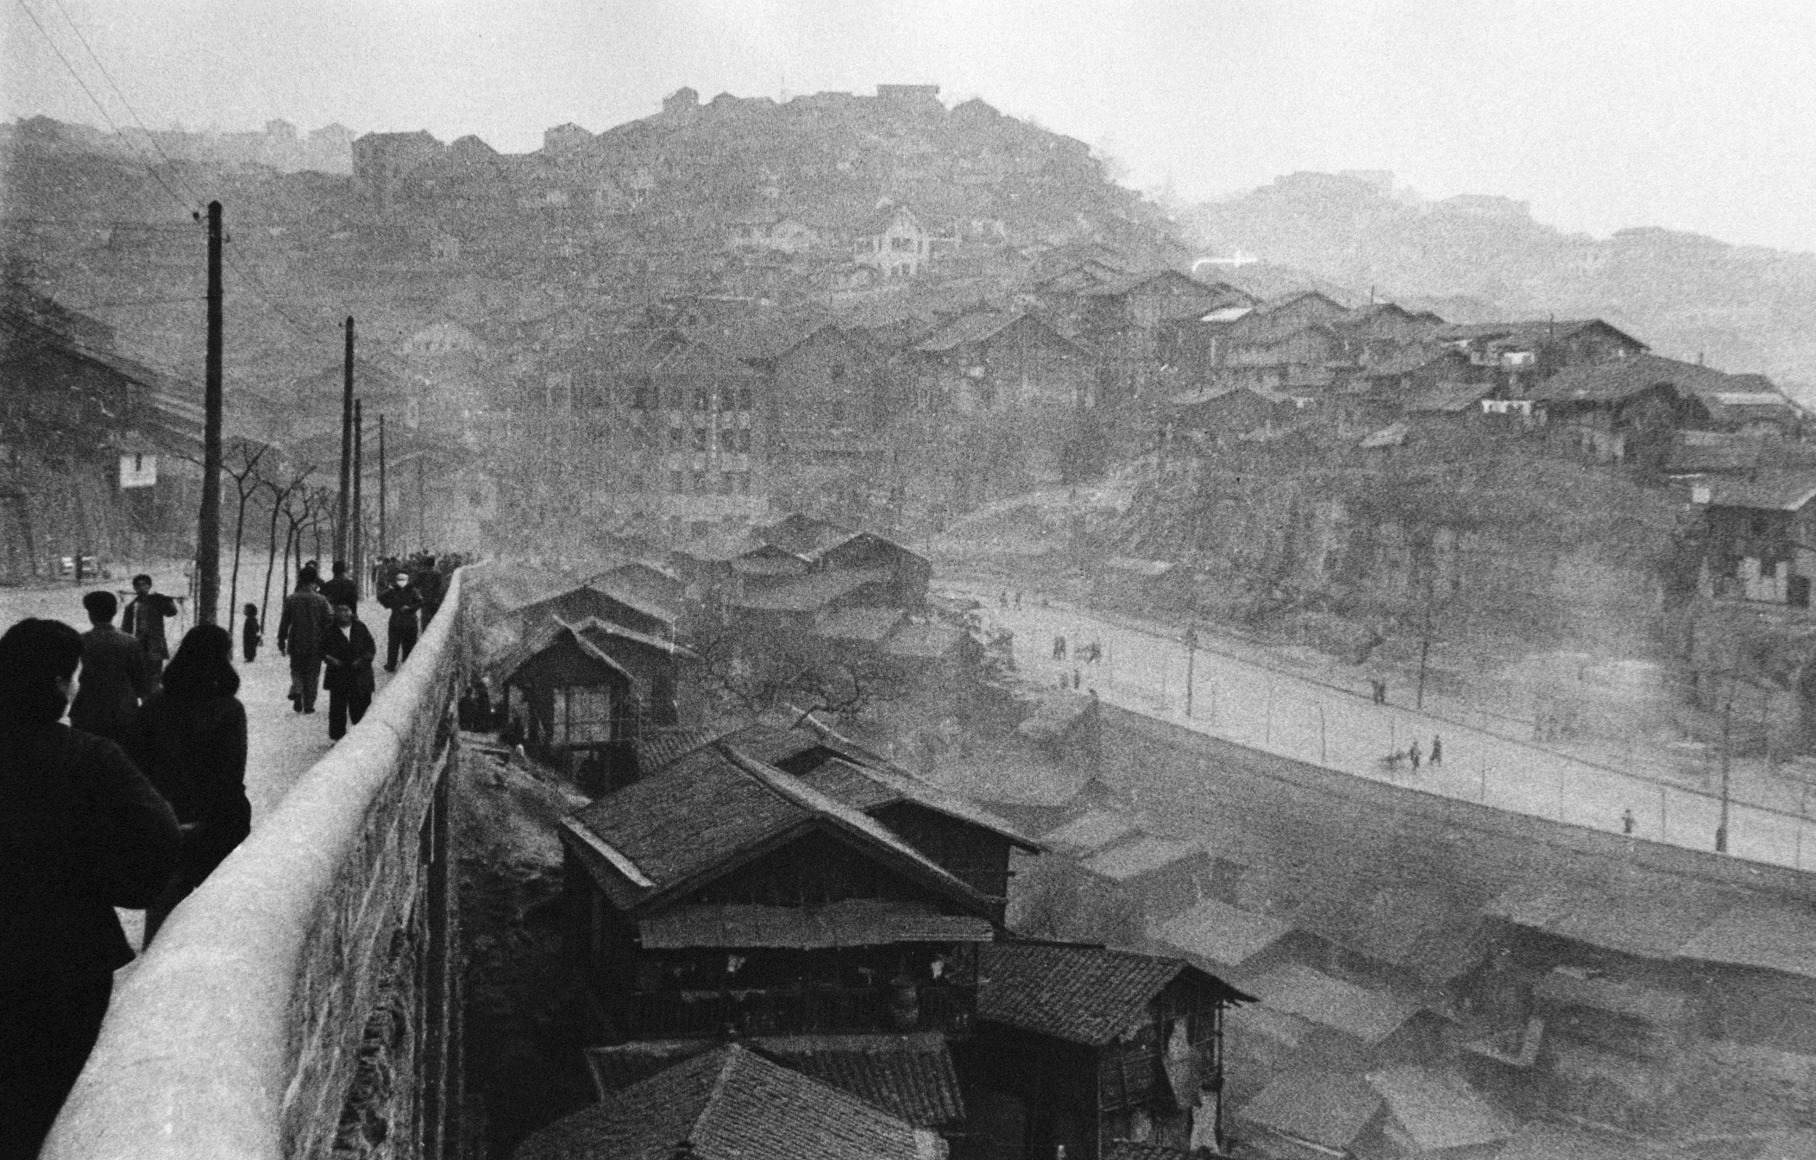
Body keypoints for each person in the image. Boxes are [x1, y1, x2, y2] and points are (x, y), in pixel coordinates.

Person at [0, 618, 180, 1159]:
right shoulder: (89, 758)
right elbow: (158, 843)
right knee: (44, 1103)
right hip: (63, 958)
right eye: (72, 677)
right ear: (58, 684)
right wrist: (99, 881)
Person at [129, 625, 250, 946]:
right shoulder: (229, 710)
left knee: (159, 928)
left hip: (165, 826)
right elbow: (230, 776)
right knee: (217, 923)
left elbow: (137, 769)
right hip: (215, 828)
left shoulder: (154, 705)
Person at [68, 589, 149, 747]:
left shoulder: (80, 641)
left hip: (87, 712)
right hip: (122, 711)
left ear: (90, 614)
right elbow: (140, 684)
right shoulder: (130, 643)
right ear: (114, 612)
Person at [320, 601, 377, 742]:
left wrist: (362, 661)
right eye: (340, 611)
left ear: (351, 612)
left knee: (361, 706)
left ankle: (361, 737)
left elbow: (370, 648)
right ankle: (338, 738)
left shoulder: (360, 628)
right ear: (336, 614)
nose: (344, 614)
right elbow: (321, 649)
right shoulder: (329, 630)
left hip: (360, 674)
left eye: (347, 610)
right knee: (337, 709)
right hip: (338, 674)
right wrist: (330, 659)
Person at [277, 574, 332, 714]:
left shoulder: (291, 599)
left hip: (296, 642)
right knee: (313, 674)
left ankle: (297, 688)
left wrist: (281, 640)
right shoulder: (321, 600)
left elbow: (284, 622)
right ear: (313, 583)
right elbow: (330, 621)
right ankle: (309, 704)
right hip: (315, 643)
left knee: (296, 669)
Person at [120, 572, 179, 686]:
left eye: (145, 585)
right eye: (138, 585)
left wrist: (167, 600)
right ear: (135, 588)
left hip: (155, 647)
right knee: (140, 680)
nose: (142, 587)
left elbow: (172, 612)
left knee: (155, 679)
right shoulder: (131, 607)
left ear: (149, 586)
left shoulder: (157, 602)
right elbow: (125, 630)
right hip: (138, 647)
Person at [378, 571, 423, 672]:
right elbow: (381, 598)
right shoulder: (393, 591)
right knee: (393, 644)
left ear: (407, 580)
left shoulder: (413, 591)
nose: (401, 582)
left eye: (403, 580)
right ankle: (391, 664)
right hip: (396, 621)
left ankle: (407, 664)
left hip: (409, 622)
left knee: (409, 644)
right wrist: (389, 593)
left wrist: (410, 608)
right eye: (399, 580)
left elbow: (420, 602)